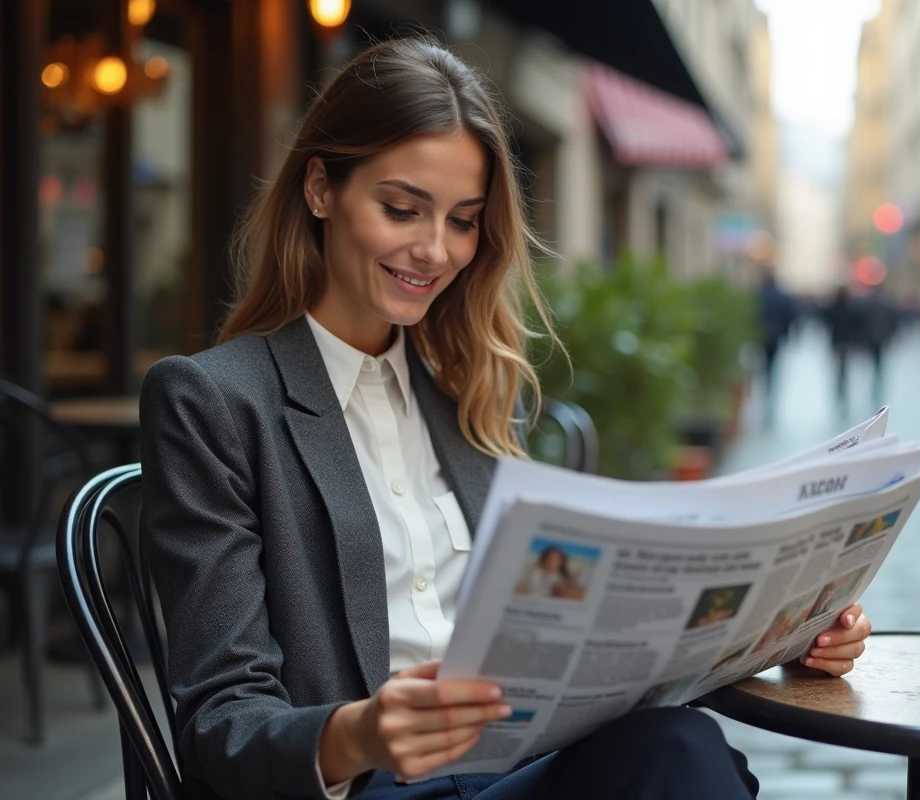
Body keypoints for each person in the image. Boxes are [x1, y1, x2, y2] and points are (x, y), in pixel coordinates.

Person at [139, 38, 873, 800]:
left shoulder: (469, 390)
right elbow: (219, 726)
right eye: (401, 209)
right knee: (679, 759)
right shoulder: (215, 403)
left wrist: (777, 632)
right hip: (373, 785)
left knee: (676, 742)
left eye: (463, 220)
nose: (435, 250)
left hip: (514, 763)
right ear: (320, 189)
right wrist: (358, 730)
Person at [756, 268, 797, 410]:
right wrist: (786, 334)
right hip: (776, 334)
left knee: (763, 360)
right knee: (772, 361)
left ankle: (766, 384)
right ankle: (770, 383)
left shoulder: (758, 295)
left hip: (761, 334)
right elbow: (789, 316)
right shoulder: (782, 296)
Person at [821, 284, 860, 415]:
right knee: (844, 365)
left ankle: (839, 385)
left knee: (839, 365)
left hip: (836, 340)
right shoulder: (851, 308)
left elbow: (825, 320)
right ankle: (842, 383)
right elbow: (856, 325)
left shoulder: (832, 308)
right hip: (846, 341)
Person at [515, 546, 583, 600]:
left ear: (561, 562)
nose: (551, 562)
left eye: (556, 560)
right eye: (549, 558)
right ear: (544, 559)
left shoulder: (562, 577)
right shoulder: (534, 572)